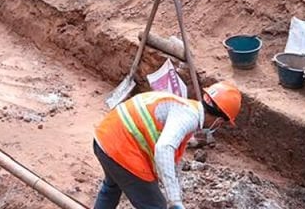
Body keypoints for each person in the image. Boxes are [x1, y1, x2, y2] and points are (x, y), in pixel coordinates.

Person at [92, 82, 242, 209]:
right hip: (121, 151)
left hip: (104, 139)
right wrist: (174, 201)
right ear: (220, 121)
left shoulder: (183, 106)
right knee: (156, 206)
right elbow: (164, 149)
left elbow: (173, 159)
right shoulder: (188, 117)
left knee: (111, 187)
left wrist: (177, 192)